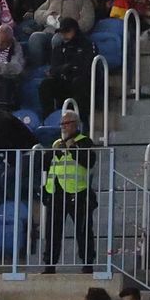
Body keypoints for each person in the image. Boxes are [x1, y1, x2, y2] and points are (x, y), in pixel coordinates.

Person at [41, 111, 95, 273]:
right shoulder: (57, 143)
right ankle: (50, 264)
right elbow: (47, 165)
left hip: (77, 192)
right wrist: (46, 191)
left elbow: (89, 162)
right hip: (56, 192)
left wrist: (73, 148)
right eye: (62, 124)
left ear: (75, 124)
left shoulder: (84, 142)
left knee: (83, 230)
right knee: (52, 231)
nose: (63, 127)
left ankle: (87, 263)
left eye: (66, 123)